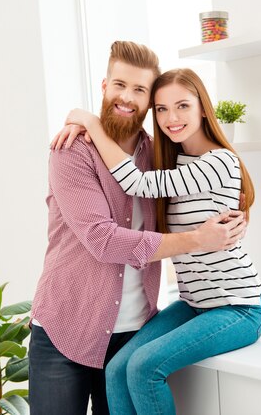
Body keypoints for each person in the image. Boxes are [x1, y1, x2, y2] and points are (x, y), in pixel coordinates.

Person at [30, 42, 247, 415]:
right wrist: (197, 240)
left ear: (150, 102)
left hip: (134, 332)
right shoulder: (73, 150)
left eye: (140, 90)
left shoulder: (158, 155)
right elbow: (103, 240)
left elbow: (210, 183)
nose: (126, 98)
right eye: (119, 85)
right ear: (104, 86)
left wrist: (237, 215)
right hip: (67, 327)